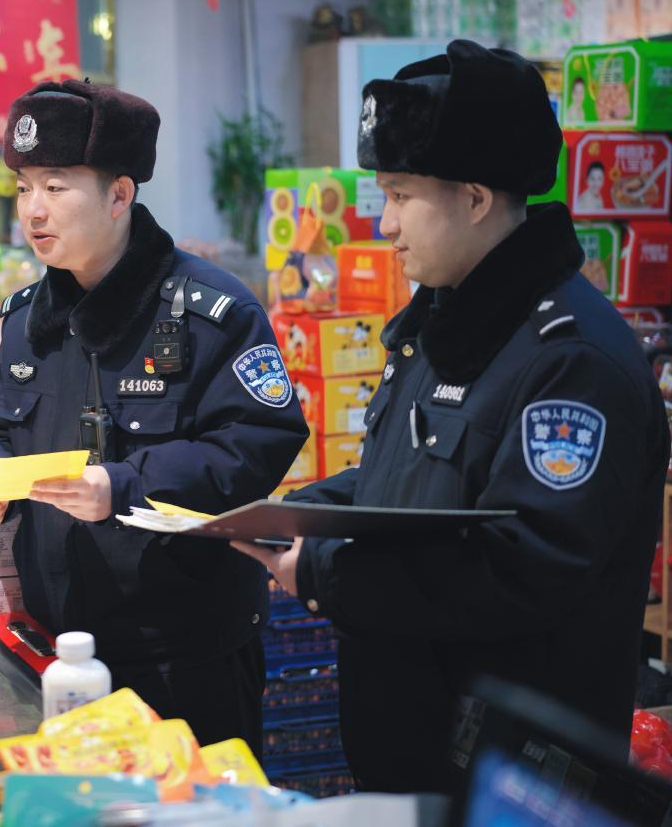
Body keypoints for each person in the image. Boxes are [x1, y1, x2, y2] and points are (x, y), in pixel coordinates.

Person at [238, 40, 670, 794]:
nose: (384, 223)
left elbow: (523, 567)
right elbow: (403, 481)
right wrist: (284, 515)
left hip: (511, 781)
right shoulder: (445, 323)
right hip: (415, 756)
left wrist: (326, 571)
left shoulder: (573, 361)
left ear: (474, 198)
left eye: (401, 195)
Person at [0, 79, 308, 750]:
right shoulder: (26, 319)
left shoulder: (213, 311)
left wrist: (122, 486)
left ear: (119, 195)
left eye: (55, 187)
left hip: (185, 660)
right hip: (56, 651)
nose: (33, 209)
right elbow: (1, 428)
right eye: (23, 188)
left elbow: (256, 444)